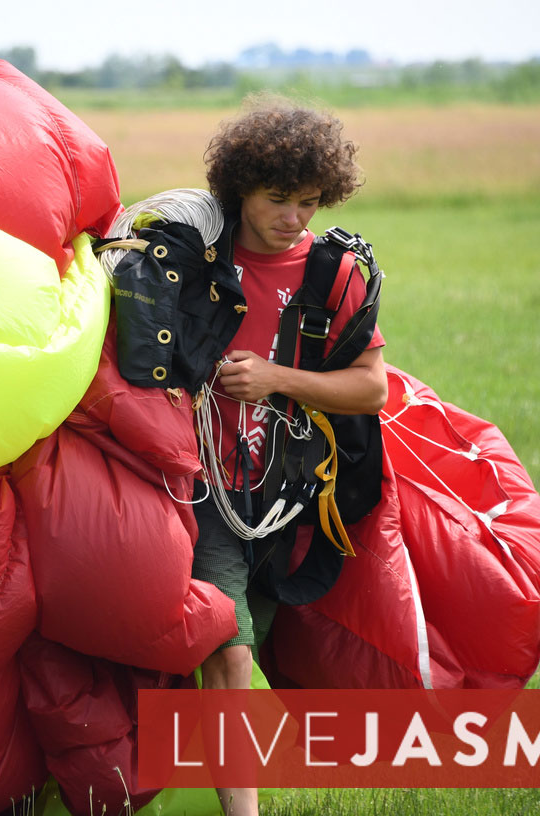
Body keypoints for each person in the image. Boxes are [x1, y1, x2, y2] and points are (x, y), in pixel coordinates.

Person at [192, 99, 388, 816]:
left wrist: (277, 380)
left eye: (309, 202)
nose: (294, 218)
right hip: (198, 490)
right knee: (229, 654)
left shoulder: (336, 276)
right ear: (239, 187)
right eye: (279, 200)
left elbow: (371, 389)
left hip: (285, 503)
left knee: (225, 661)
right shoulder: (189, 262)